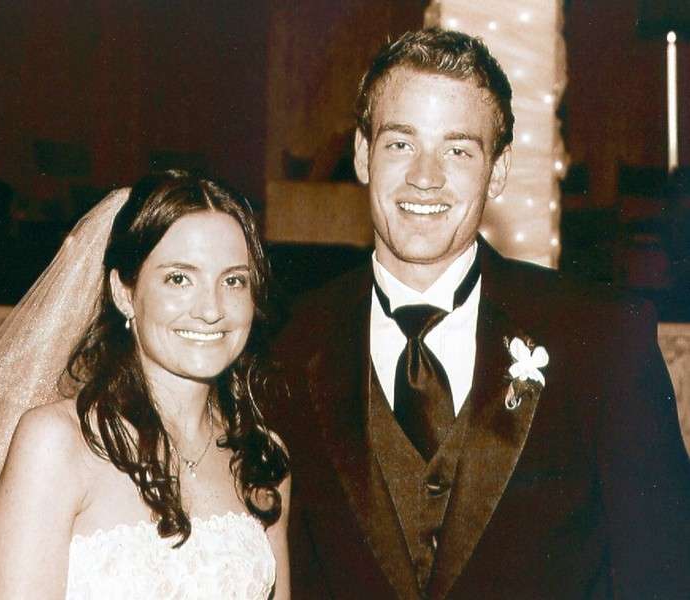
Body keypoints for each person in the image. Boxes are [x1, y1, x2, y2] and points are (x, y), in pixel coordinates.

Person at [269, 28, 690, 599]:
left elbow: (665, 575)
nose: (425, 177)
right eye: (400, 144)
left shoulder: (604, 338)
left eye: (458, 150)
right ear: (363, 155)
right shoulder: (290, 345)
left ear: (498, 170)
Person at [0, 170, 290, 599]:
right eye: (179, 278)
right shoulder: (57, 443)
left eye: (233, 280)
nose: (211, 309)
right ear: (124, 292)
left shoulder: (263, 457)